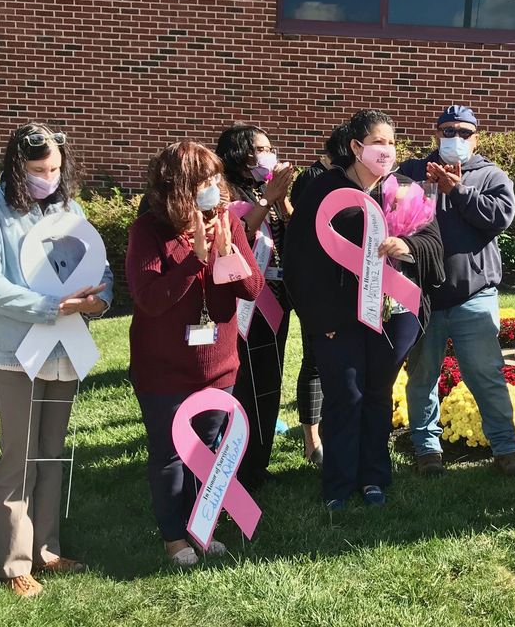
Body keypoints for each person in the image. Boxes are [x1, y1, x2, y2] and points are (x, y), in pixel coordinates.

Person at [0, 123, 114, 597]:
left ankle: (46, 548)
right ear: (16, 166)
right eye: (38, 169)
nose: (49, 176)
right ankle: (13, 563)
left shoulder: (70, 207)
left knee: (51, 451)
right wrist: (49, 307)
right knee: (19, 456)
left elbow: (98, 267)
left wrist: (99, 299)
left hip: (64, 346)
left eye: (55, 168)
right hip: (15, 352)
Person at [284, 109, 444, 511]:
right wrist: (323, 321)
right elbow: (300, 260)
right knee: (346, 394)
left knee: (377, 394)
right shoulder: (325, 192)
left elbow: (433, 243)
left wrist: (408, 247)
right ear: (356, 147)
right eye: (377, 142)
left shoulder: (405, 189)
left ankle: (374, 477)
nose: (385, 150)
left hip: (396, 315)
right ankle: (338, 482)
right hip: (339, 318)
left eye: (391, 143)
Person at [126, 141, 263, 566]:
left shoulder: (226, 221)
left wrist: (228, 252)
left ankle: (200, 526)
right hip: (164, 369)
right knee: (169, 453)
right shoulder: (149, 230)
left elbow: (253, 289)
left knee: (206, 448)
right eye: (203, 182)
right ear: (177, 188)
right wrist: (194, 260)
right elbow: (149, 298)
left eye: (215, 179)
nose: (214, 189)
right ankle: (173, 537)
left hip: (218, 363)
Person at [400, 105, 515, 478]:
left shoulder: (491, 175)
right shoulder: (412, 172)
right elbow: (390, 210)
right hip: (423, 295)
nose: (455, 138)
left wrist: (457, 191)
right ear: (435, 134)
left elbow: (499, 218)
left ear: (477, 136)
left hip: (473, 294)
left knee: (486, 374)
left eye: (463, 132)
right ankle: (427, 450)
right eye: (447, 131)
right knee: (422, 375)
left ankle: (506, 449)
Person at [215, 124, 296, 490]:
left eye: (269, 147)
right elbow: (236, 235)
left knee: (270, 379)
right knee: (244, 384)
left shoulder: (269, 190)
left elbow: (291, 232)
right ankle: (235, 465)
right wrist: (265, 200)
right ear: (240, 155)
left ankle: (259, 465)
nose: (268, 154)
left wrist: (281, 199)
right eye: (260, 149)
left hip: (275, 299)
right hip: (242, 302)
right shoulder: (224, 189)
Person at [286, 122, 352, 468]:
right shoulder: (315, 181)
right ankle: (312, 441)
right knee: (315, 361)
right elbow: (304, 238)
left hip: (346, 291)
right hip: (319, 289)